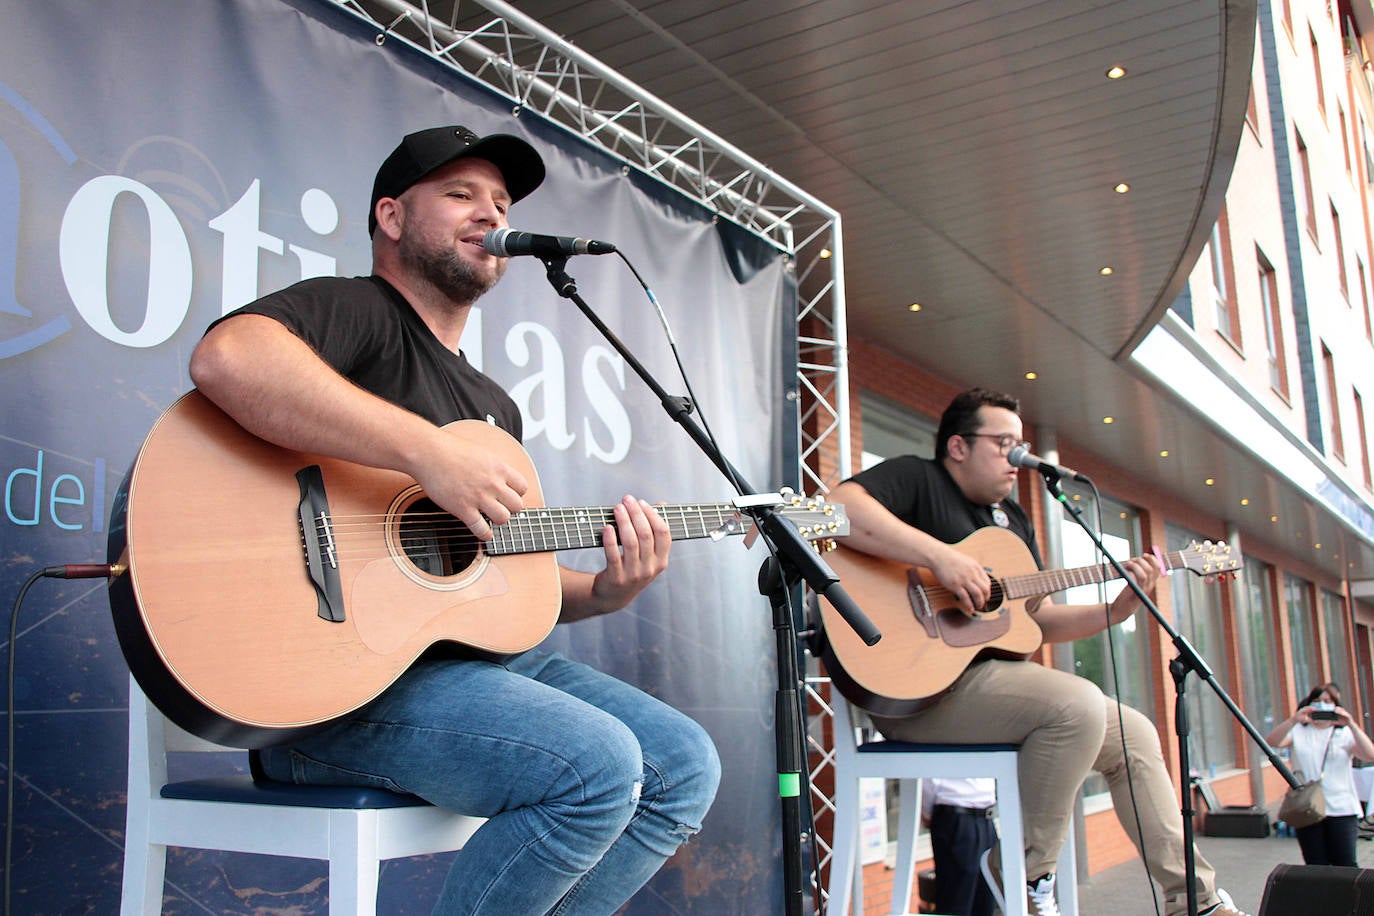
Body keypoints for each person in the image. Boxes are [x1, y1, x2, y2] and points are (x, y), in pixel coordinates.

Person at [187, 125, 721, 914]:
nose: (490, 213)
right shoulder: (357, 309)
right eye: (461, 194)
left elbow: (500, 580)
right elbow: (227, 360)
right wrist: (425, 453)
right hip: (331, 693)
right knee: (598, 764)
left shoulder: (492, 409)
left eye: (501, 202)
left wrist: (606, 592)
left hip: (461, 668)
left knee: (683, 765)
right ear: (393, 217)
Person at [828, 387, 1247, 916]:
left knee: (1136, 734)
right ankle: (1025, 871)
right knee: (1077, 705)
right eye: (1003, 444)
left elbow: (1036, 621)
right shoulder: (918, 479)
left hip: (993, 692)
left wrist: (1116, 611)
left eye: (1022, 446)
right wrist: (941, 559)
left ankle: (1196, 901)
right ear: (958, 446)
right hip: (921, 695)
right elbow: (837, 508)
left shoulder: (1014, 522)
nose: (1018, 459)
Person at [1265, 682, 1374, 866]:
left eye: (1327, 701)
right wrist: (1294, 720)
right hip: (1307, 806)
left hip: (1341, 807)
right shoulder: (1299, 731)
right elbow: (1273, 741)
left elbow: (1369, 754)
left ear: (1335, 705)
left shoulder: (1343, 733)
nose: (1322, 704)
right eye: (1317, 700)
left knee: (1345, 863)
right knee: (1315, 864)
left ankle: (1346, 896)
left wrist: (1352, 724)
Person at [923, 777, 999, 916]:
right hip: (956, 812)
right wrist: (927, 810)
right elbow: (928, 774)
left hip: (986, 816)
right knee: (956, 903)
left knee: (986, 900)